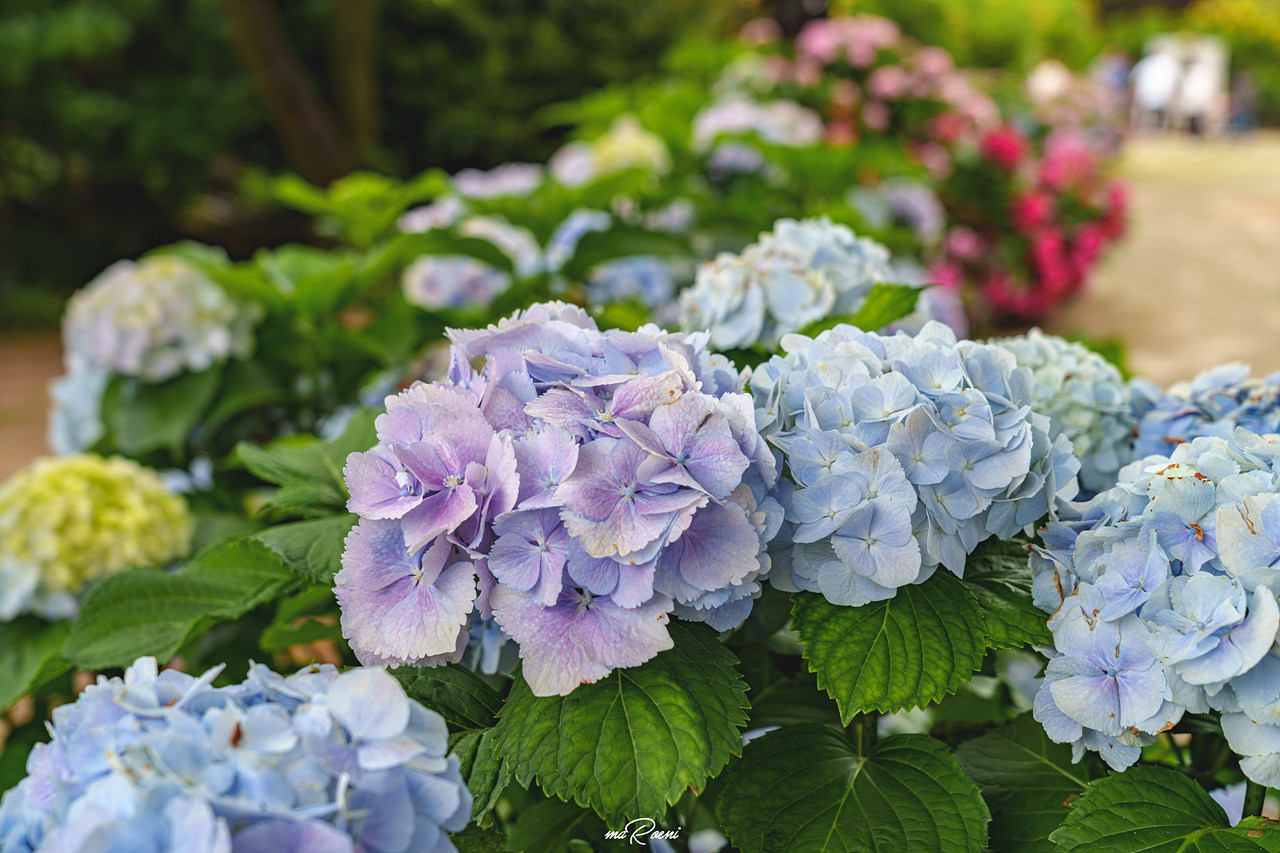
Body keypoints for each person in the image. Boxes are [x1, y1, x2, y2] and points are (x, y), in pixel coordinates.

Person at [1131, 49, 1180, 131]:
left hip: (1146, 96)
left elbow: (1133, 77)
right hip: (1163, 97)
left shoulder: (1145, 63)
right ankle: (1162, 128)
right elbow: (1177, 80)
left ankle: (1146, 127)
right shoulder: (1168, 63)